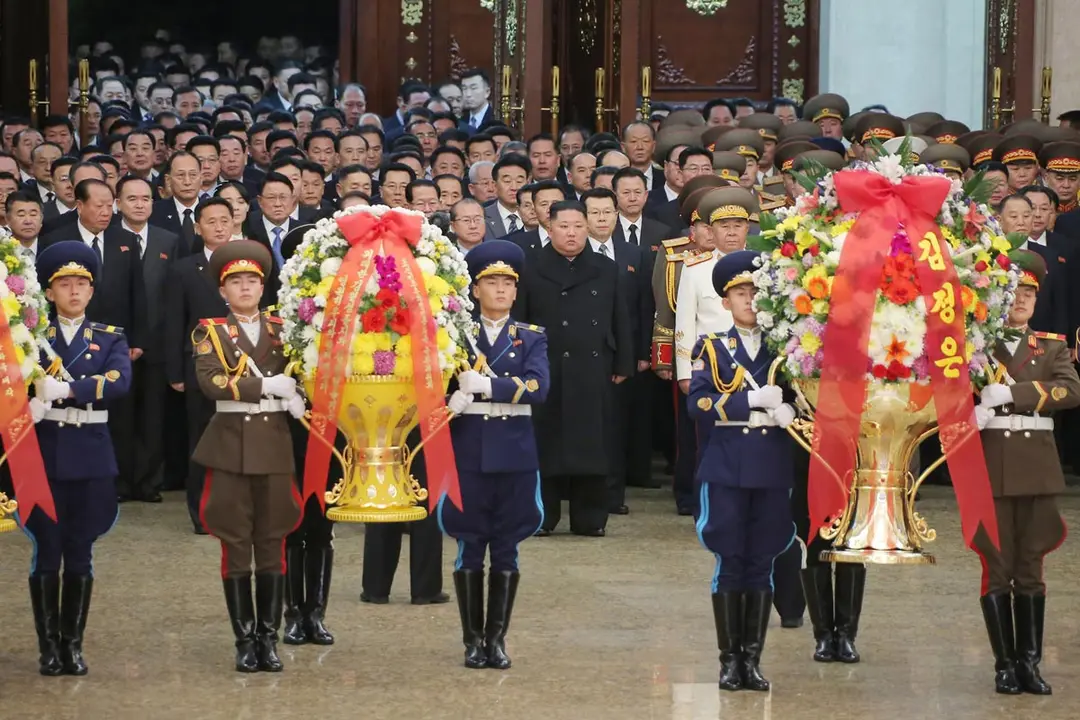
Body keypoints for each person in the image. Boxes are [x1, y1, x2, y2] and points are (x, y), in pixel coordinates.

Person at [191, 240, 305, 673]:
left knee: (273, 541)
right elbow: (213, 382)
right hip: (231, 445)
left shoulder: (284, 328)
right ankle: (243, 639)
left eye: (252, 281)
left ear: (263, 286)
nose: (244, 288)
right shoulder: (210, 331)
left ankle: (268, 638)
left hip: (275, 444)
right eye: (235, 282)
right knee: (237, 544)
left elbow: (304, 373)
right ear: (223, 290)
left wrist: (297, 392)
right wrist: (265, 388)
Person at [687, 249, 797, 692]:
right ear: (725, 300)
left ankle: (752, 660)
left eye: (756, 292)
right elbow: (697, 403)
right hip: (728, 464)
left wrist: (790, 406)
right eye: (740, 292)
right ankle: (728, 661)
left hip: (771, 465)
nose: (749, 299)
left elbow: (805, 397)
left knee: (763, 560)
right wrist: (748, 401)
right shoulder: (711, 347)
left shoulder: (788, 348)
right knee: (730, 560)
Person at [972, 250, 1080, 695]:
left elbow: (1070, 390)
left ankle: (1029, 664)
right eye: (1014, 291)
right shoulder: (976, 346)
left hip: (1036, 467)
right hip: (991, 466)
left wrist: (1011, 392)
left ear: (1037, 300)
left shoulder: (1051, 345)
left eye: (1029, 293)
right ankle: (1003, 665)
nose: (1021, 299)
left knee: (1031, 567)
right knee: (998, 567)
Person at [438, 240, 548, 669]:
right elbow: (438, 388)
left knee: (506, 547)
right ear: (475, 289)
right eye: (491, 282)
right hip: (468, 450)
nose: (500, 290)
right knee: (469, 544)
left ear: (516, 291)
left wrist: (490, 387)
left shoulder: (531, 338)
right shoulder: (456, 337)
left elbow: (540, 388)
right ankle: (472, 639)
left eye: (507, 283)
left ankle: (496, 638)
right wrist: (453, 396)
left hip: (514, 450)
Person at [26, 241, 133, 676]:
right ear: (49, 293)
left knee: (81, 551)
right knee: (46, 551)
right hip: (45, 453)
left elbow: (119, 381)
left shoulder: (110, 337)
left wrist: (67, 389)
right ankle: (48, 645)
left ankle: (73, 644)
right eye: (64, 285)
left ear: (91, 292)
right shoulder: (32, 338)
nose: (73, 292)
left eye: (81, 285)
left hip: (90, 452)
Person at [513, 200, 634, 536]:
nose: (571, 233)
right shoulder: (530, 265)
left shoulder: (605, 267)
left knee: (593, 444)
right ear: (549, 228)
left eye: (578, 225)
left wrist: (624, 360)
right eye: (564, 226)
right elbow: (520, 319)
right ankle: (542, 516)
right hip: (544, 367)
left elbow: (619, 316)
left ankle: (590, 518)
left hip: (593, 366)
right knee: (544, 444)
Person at [163, 198, 232, 533]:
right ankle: (202, 514)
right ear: (197, 226)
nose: (218, 227)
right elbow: (175, 321)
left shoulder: (249, 263)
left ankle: (236, 508)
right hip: (200, 370)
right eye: (211, 221)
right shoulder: (183, 269)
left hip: (244, 369)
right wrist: (176, 371)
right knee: (202, 441)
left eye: (224, 220)